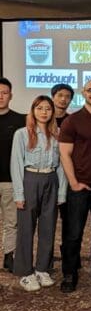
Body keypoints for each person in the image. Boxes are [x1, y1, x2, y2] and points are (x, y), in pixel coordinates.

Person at [58, 80, 91, 292]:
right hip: (80, 186)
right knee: (73, 232)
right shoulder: (72, 121)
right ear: (84, 93)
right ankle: (70, 273)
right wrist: (74, 183)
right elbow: (65, 154)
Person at [10, 96, 67, 291]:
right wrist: (19, 194)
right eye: (39, 108)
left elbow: (61, 166)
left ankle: (43, 268)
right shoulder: (22, 134)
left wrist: (61, 193)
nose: (44, 112)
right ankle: (26, 272)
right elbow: (16, 164)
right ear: (33, 110)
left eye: (48, 109)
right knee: (26, 227)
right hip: (30, 180)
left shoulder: (57, 134)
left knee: (48, 226)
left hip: (51, 179)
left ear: (52, 112)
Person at [0, 77, 25, 273]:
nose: (0, 96)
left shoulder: (20, 120)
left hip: (10, 180)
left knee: (12, 222)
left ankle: (9, 257)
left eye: (4, 92)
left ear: (11, 95)